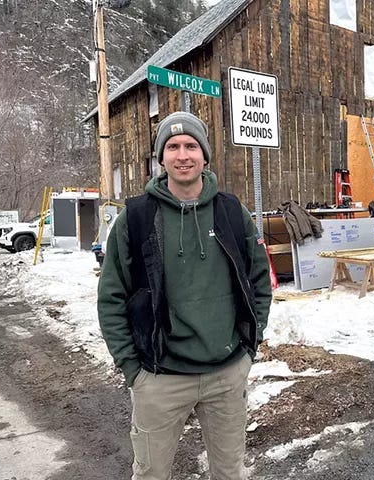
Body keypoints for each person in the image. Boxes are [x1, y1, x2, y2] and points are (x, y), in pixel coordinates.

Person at [97, 111, 272, 480]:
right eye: (172, 147)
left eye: (191, 146)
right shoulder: (136, 218)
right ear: (161, 158)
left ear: (205, 155)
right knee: (151, 474)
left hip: (226, 374)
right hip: (160, 377)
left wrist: (249, 348)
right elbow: (111, 297)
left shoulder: (231, 211)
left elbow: (259, 280)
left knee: (229, 473)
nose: (182, 155)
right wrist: (133, 370)